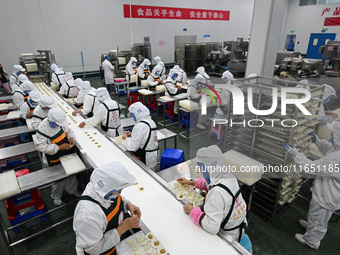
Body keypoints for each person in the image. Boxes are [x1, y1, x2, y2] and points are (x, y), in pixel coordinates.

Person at [177, 145, 252, 253]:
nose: (203, 172)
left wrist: (192, 211)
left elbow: (212, 227)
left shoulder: (216, 194)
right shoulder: (228, 175)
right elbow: (212, 183)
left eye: (204, 169)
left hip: (229, 236)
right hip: (239, 226)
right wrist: (191, 183)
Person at [283, 121, 340, 250]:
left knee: (319, 219)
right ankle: (311, 226)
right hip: (326, 190)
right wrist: (318, 141)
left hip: (328, 195)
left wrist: (297, 155)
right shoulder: (337, 150)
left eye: (333, 133)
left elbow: (312, 167)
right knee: (315, 214)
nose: (330, 134)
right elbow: (329, 148)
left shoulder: (337, 158)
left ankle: (311, 240)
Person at [73, 162, 141, 255]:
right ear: (108, 191)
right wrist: (123, 228)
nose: (120, 193)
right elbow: (94, 250)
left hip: (118, 245)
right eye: (119, 191)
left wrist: (127, 204)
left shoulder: (103, 190)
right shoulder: (87, 215)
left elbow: (115, 199)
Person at [35, 108, 80, 205]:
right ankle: (56, 196)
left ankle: (72, 190)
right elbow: (40, 146)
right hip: (53, 157)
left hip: (65, 153)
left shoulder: (60, 122)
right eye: (57, 124)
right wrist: (58, 148)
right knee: (57, 179)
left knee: (71, 173)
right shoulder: (43, 128)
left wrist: (71, 137)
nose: (59, 126)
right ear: (50, 120)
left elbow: (68, 130)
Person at [122, 102, 159, 171]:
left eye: (133, 115)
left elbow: (132, 147)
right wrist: (132, 134)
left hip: (145, 157)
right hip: (153, 154)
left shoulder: (140, 126)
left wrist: (126, 138)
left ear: (136, 114)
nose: (132, 117)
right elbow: (146, 136)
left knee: (146, 174)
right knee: (152, 172)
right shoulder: (151, 121)